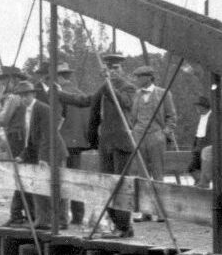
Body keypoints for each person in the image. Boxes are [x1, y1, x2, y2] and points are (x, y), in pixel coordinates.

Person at [67, 52, 136, 237]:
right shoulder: (103, 88)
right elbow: (89, 106)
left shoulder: (128, 88)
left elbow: (125, 103)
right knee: (107, 185)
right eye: (109, 68)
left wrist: (109, 86)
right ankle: (116, 224)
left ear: (122, 69)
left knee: (121, 184)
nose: (113, 71)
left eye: (116, 68)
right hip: (105, 144)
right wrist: (59, 94)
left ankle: (124, 227)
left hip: (122, 143)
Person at [6, 80, 67, 229]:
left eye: (25, 95)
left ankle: (60, 221)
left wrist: (44, 158)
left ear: (32, 95)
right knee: (39, 187)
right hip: (41, 151)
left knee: (57, 186)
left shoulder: (42, 109)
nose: (23, 99)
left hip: (54, 152)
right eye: (20, 96)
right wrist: (23, 155)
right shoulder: (26, 111)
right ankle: (43, 220)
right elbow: (31, 138)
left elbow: (48, 135)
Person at [129, 65, 176, 221]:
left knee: (158, 174)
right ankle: (145, 211)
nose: (137, 80)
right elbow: (132, 117)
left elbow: (171, 116)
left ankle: (161, 212)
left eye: (140, 77)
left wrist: (164, 133)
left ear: (149, 78)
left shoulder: (163, 93)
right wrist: (134, 130)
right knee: (142, 174)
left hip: (156, 136)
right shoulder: (136, 94)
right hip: (139, 135)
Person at [55, 62, 91, 224]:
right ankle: (78, 215)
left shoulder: (59, 94)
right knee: (76, 178)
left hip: (63, 142)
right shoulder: (79, 94)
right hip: (78, 143)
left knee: (62, 179)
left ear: (59, 77)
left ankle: (62, 217)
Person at [0, 66, 29, 225]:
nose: (2, 84)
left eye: (3, 81)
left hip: (16, 138)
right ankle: (24, 213)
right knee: (22, 174)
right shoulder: (21, 96)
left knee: (19, 174)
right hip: (21, 136)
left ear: (12, 80)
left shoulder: (13, 98)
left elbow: (2, 120)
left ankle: (16, 213)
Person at [188, 96, 213, 188]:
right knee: (192, 168)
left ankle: (203, 184)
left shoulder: (212, 116)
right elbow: (199, 132)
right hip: (198, 145)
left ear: (204, 106)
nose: (197, 108)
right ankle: (201, 183)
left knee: (204, 168)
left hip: (206, 145)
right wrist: (194, 146)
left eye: (198, 106)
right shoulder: (202, 117)